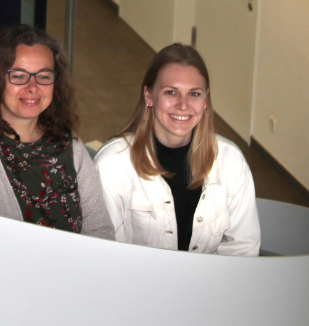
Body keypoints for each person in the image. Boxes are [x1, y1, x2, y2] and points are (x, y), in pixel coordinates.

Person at [0, 24, 114, 238]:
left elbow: (101, 233)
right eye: (18, 76)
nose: (32, 87)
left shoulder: (69, 144)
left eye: (43, 76)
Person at [95, 43, 261, 255]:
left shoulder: (231, 161)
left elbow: (243, 250)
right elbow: (105, 255)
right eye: (171, 92)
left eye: (194, 94)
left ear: (205, 101)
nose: (183, 105)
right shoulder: (112, 164)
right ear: (149, 96)